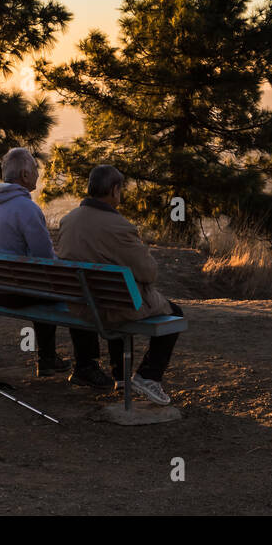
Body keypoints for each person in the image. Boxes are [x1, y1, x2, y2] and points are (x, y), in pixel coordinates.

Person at [56, 164, 182, 406]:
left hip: (79, 304)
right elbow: (149, 272)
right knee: (174, 314)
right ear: (114, 190)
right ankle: (147, 376)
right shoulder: (120, 226)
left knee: (117, 297)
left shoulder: (68, 220)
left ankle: (121, 377)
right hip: (110, 306)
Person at [0, 147, 73, 377]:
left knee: (40, 284)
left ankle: (48, 358)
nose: (38, 174)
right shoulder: (27, 208)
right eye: (36, 169)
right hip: (15, 291)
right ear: (25, 175)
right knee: (71, 289)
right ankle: (76, 363)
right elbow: (45, 259)